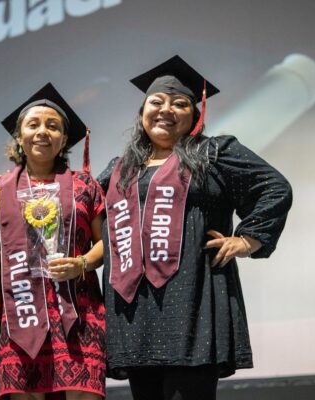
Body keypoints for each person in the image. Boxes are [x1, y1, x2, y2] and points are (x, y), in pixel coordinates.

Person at [97, 55, 293, 400]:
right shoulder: (120, 168)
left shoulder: (213, 152)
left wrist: (248, 239)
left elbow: (274, 187)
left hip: (193, 297)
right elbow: (85, 208)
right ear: (142, 112)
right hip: (135, 305)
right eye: (157, 102)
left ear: (195, 115)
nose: (166, 109)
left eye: (179, 103)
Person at [0, 83, 106, 400]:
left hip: (79, 311)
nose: (43, 132)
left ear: (64, 139)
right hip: (21, 310)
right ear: (19, 136)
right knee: (27, 394)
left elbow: (106, 244)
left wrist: (81, 263)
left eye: (53, 126)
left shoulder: (85, 185)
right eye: (33, 124)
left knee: (82, 393)